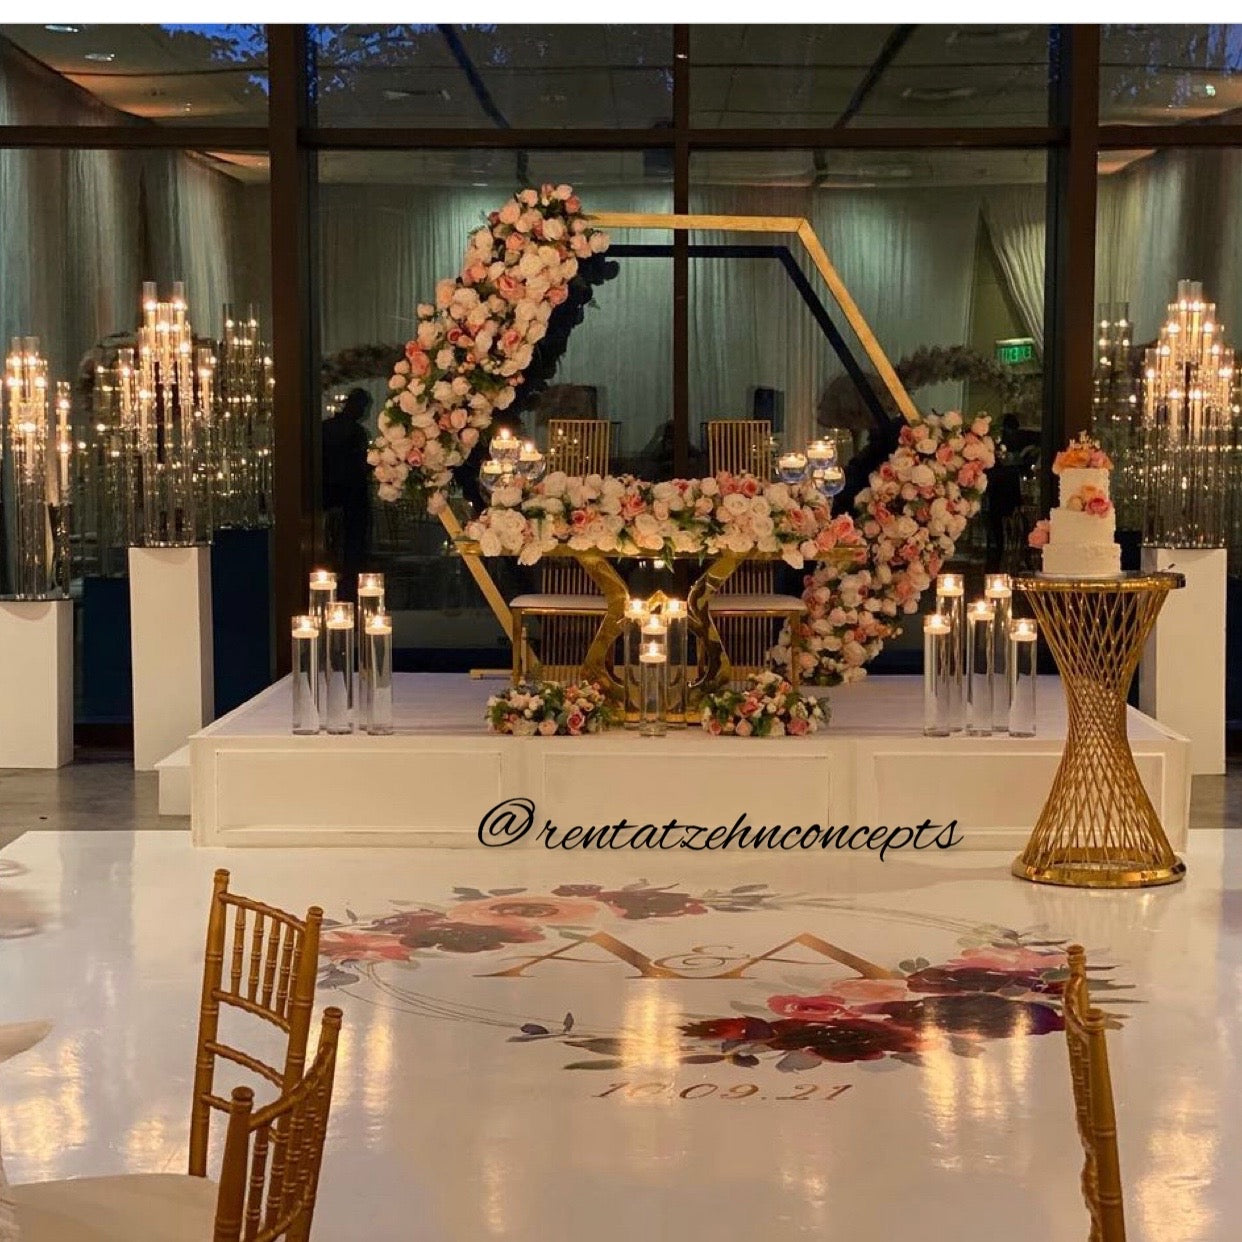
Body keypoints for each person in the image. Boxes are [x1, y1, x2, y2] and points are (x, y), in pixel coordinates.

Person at [321, 387, 372, 590]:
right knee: (352, 541)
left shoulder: (324, 428)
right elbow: (360, 466)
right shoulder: (356, 432)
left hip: (327, 493)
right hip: (351, 495)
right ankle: (350, 579)